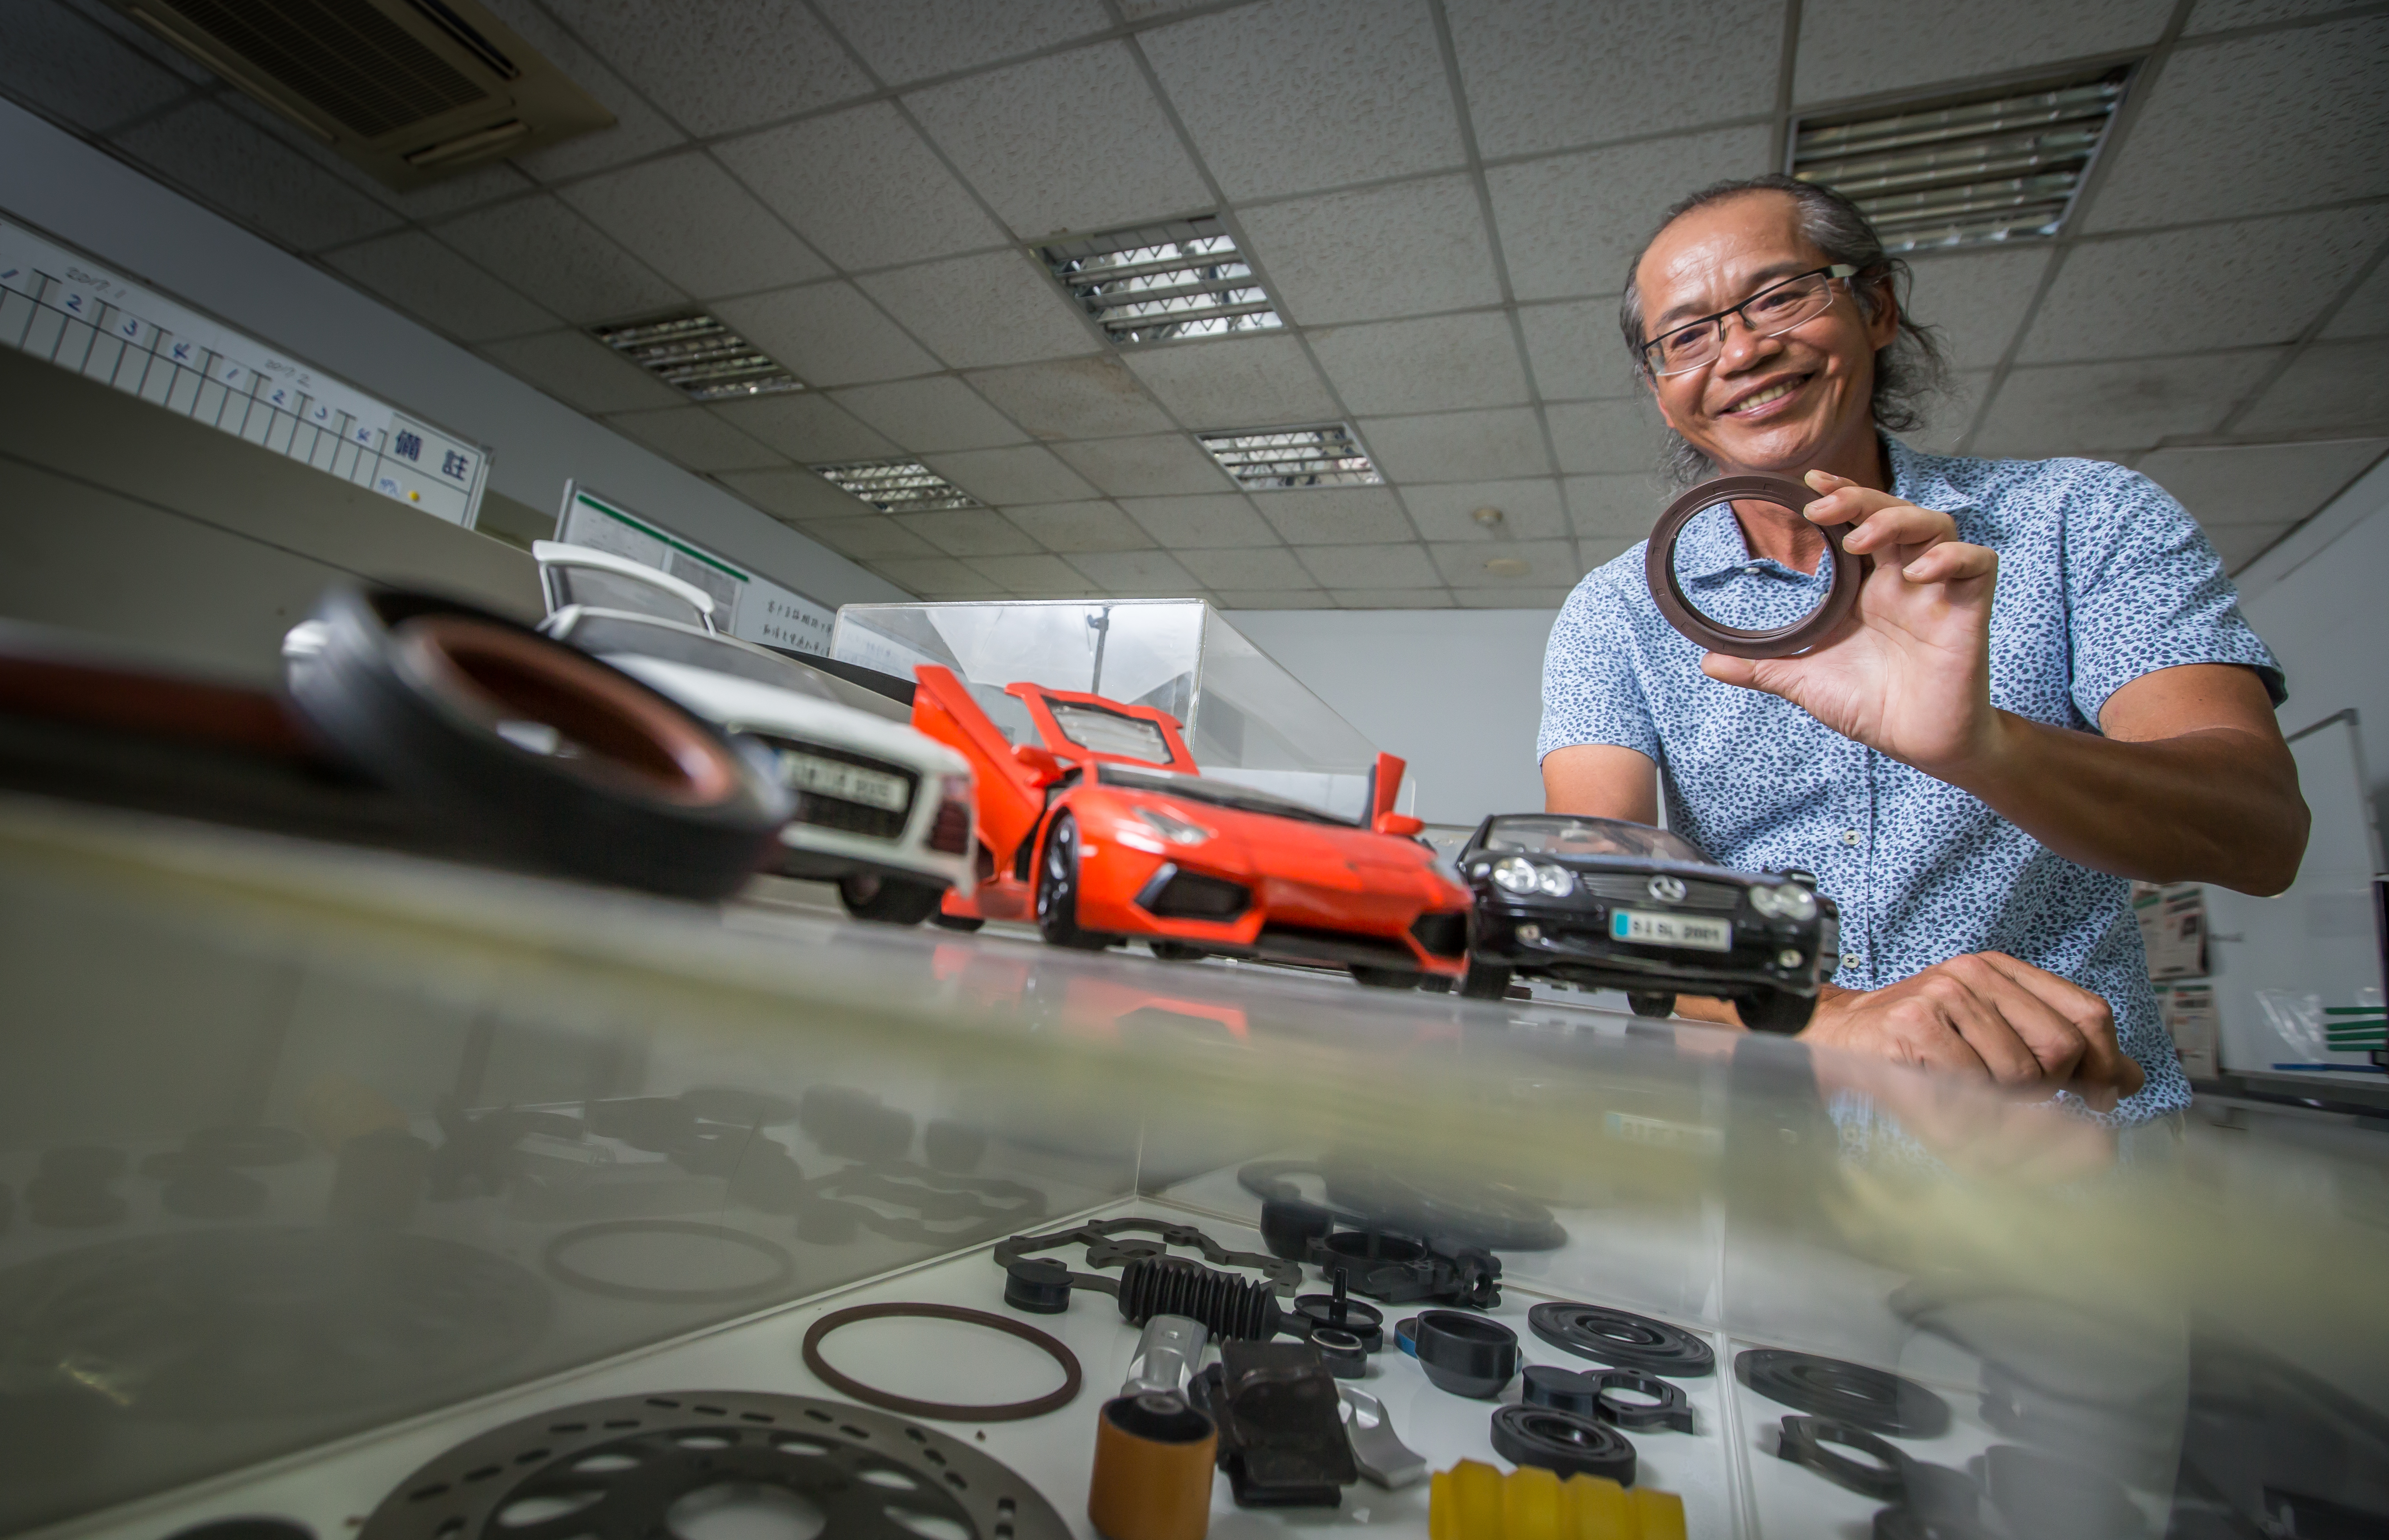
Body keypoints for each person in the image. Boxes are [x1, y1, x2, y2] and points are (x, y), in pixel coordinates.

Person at [1537, 174, 2309, 1121]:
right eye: (1687, 336)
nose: (1740, 351)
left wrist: (1986, 747)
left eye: (1780, 298)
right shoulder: (1617, 612)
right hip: (1773, 1155)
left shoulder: (2085, 519)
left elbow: (2264, 837)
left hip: (2064, 1147)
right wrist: (1837, 1020)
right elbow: (1602, 910)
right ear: (1665, 395)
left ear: (1877, 308)